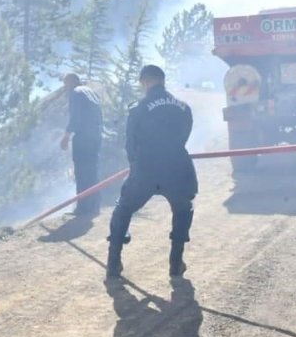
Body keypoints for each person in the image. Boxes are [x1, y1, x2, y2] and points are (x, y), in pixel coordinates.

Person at [106, 65, 198, 280]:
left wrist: (135, 166)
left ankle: (113, 266)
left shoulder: (138, 108)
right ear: (162, 81)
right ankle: (176, 265)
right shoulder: (184, 108)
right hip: (177, 167)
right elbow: (184, 136)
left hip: (146, 169)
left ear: (145, 82)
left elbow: (130, 143)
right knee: (183, 209)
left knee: (123, 209)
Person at [60, 73, 103, 216]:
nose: (65, 87)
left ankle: (83, 207)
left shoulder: (76, 93)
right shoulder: (91, 93)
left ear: (72, 82)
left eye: (65, 83)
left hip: (83, 137)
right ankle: (95, 206)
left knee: (81, 171)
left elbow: (75, 117)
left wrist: (66, 136)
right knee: (92, 170)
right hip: (95, 136)